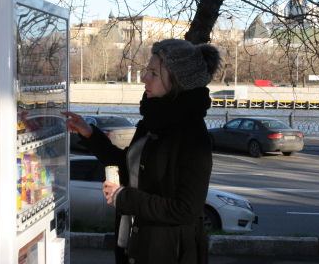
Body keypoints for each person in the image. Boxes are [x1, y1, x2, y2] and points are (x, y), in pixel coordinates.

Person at [62, 38, 220, 264]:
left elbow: (186, 209)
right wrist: (89, 134)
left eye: (154, 74)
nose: (144, 78)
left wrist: (123, 197)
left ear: (177, 82)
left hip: (168, 253)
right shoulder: (151, 122)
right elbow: (128, 168)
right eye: (147, 71)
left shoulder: (193, 136)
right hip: (133, 248)